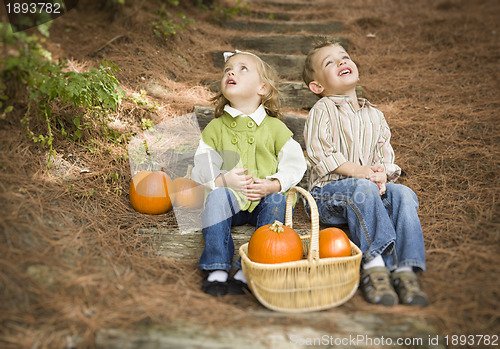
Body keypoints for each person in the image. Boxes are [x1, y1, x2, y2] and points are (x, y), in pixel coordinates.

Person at [302, 38, 428, 306]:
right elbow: (320, 153)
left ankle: (406, 270)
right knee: (363, 186)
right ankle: (375, 266)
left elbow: (385, 157)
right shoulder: (322, 109)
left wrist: (382, 173)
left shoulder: (376, 115)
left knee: (403, 193)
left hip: (370, 189)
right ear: (317, 86)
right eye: (330, 62)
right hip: (327, 196)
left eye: (344, 57)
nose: (341, 62)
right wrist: (360, 172)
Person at [191, 51, 307, 297]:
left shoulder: (275, 128)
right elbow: (202, 166)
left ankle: (250, 268)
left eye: (243, 68)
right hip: (230, 201)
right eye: (227, 69)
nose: (231, 72)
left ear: (262, 88)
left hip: (264, 200)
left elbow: (296, 163)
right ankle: (217, 269)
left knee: (277, 201)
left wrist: (274, 185)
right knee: (216, 198)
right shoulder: (215, 128)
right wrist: (223, 180)